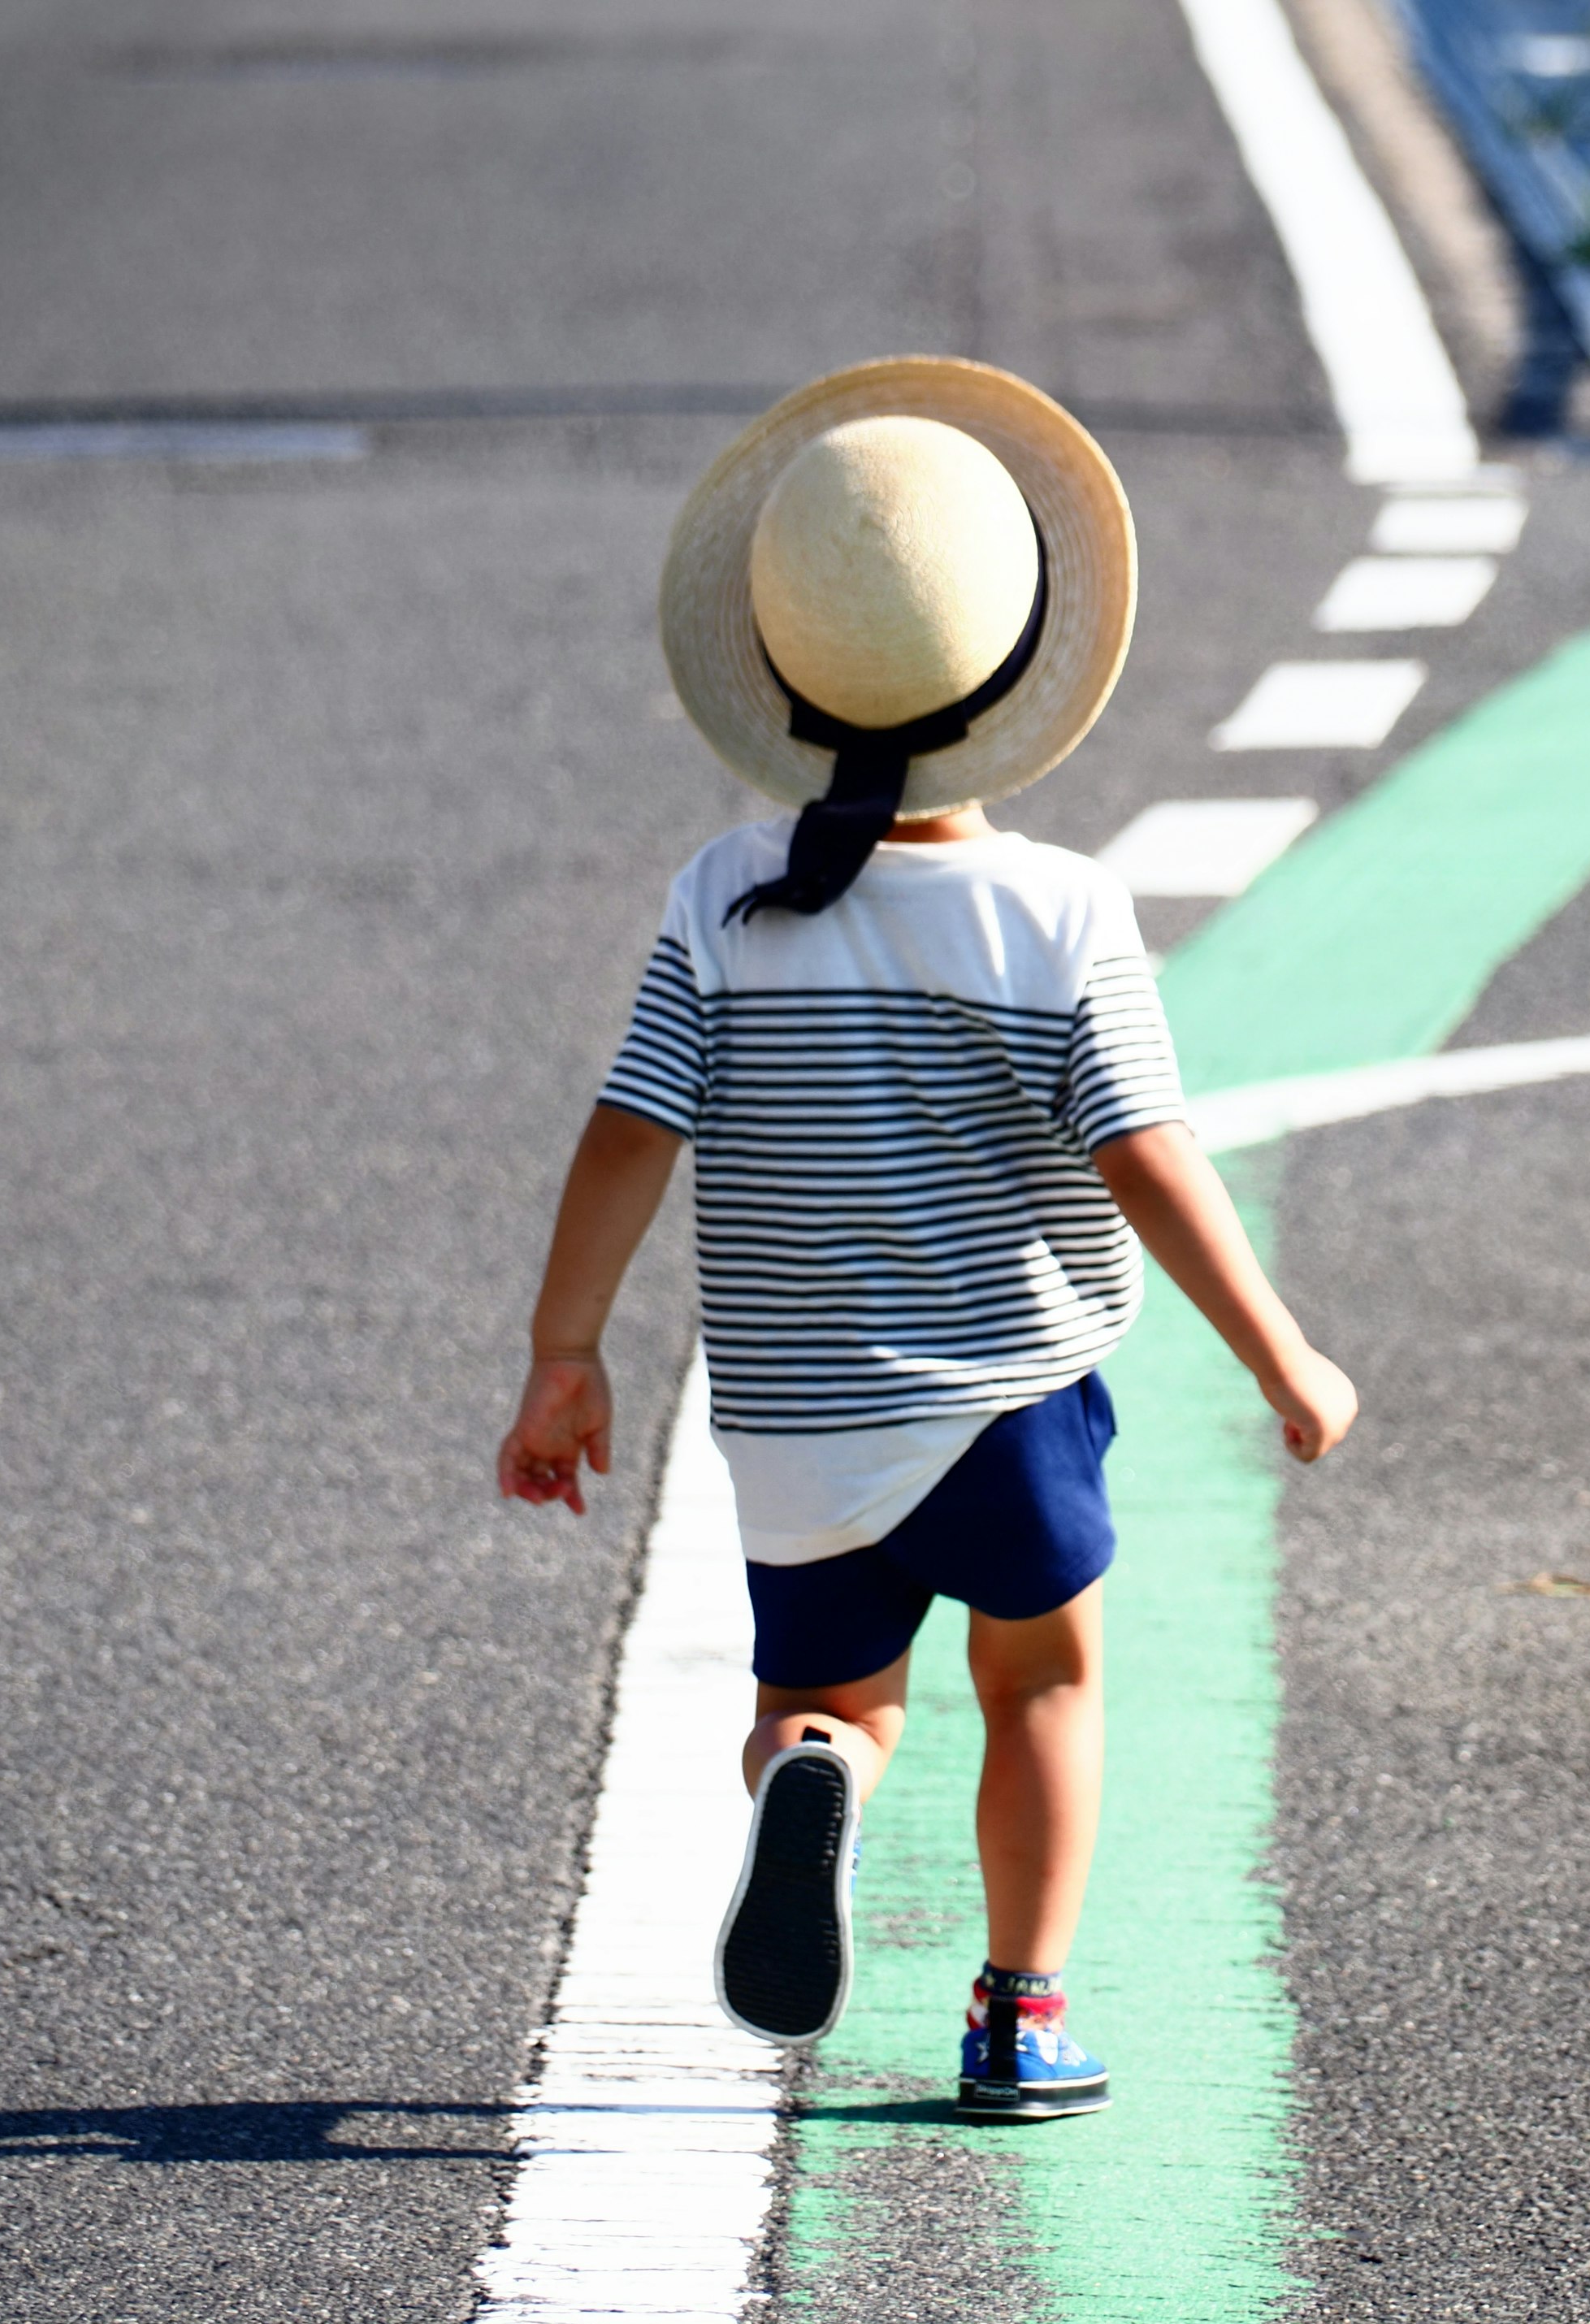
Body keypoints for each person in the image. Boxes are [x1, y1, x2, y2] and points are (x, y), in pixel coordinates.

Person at [493, 358, 1354, 2122]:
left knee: (832, 1695)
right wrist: (1280, 1347)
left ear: (780, 676)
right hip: (1014, 1394)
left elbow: (627, 1131)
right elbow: (1148, 1154)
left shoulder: (726, 900)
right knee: (1041, 1679)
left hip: (802, 1422)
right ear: (1030, 672)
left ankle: (814, 1771)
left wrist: (565, 1356)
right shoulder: (1058, 911)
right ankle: (1021, 2013)